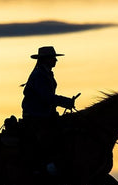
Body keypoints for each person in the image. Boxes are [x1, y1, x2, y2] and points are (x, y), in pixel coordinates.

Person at [21, 46, 79, 175]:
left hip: (43, 114)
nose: (55, 60)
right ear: (45, 59)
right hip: (37, 115)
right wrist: (66, 102)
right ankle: (43, 168)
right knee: (50, 137)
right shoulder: (40, 75)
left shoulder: (44, 73)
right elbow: (46, 97)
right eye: (53, 58)